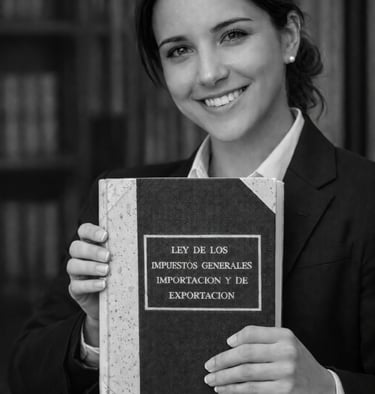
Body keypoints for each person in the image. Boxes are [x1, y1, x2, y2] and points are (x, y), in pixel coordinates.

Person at [9, 0, 375, 393]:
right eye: (179, 50)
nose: (209, 73)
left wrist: (327, 387)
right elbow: (24, 376)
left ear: (288, 36)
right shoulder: (121, 200)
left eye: (233, 35)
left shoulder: (366, 197)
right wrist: (99, 332)